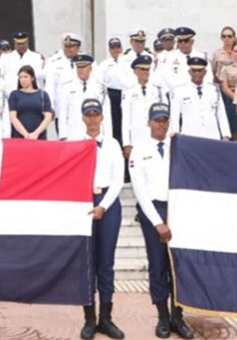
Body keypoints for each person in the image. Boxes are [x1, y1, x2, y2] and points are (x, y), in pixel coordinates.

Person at [129, 102, 194, 339]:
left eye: (164, 120)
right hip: (153, 210)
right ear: (148, 122)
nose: (160, 124)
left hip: (176, 208)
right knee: (157, 265)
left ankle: (178, 316)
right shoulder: (140, 149)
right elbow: (140, 191)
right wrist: (158, 222)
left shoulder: (178, 146)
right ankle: (163, 317)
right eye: (157, 120)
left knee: (178, 266)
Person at [79, 98, 125, 340]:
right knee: (88, 264)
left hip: (108, 204)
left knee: (106, 263)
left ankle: (106, 319)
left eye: (96, 114)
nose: (93, 118)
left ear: (102, 117)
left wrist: (103, 206)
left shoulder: (113, 143)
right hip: (85, 203)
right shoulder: (77, 144)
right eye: (89, 114)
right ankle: (89, 319)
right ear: (83, 118)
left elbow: (118, 179)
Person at [169, 56, 230, 140]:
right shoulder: (180, 91)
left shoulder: (214, 90)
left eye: (199, 71)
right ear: (189, 72)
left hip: (212, 136)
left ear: (204, 72)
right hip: (190, 136)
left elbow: (221, 113)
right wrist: (175, 133)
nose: (197, 73)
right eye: (194, 71)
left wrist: (225, 134)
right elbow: (174, 115)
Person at [58, 54, 109, 140]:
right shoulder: (67, 87)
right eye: (78, 67)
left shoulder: (100, 87)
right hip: (74, 134)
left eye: (84, 67)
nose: (81, 70)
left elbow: (106, 114)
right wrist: (63, 136)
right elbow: (63, 114)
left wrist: (107, 136)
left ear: (90, 68)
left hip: (94, 134)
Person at [121, 54, 164, 156]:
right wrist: (126, 143)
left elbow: (165, 115)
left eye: (147, 69)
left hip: (155, 136)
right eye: (142, 69)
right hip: (137, 138)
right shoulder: (128, 92)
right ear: (135, 71)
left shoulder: (157, 90)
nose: (145, 72)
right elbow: (126, 118)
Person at [8, 65, 53, 139]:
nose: (22, 80)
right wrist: (26, 134)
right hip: (19, 136)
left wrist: (36, 133)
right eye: (20, 77)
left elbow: (48, 117)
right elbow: (13, 117)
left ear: (32, 78)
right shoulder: (15, 94)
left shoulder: (43, 94)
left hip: (39, 136)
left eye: (25, 77)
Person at [99, 38, 127, 147]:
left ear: (121, 48)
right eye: (113, 48)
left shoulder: (127, 62)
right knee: (114, 124)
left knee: (126, 123)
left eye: (118, 47)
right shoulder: (104, 65)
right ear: (109, 50)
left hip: (126, 93)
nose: (116, 50)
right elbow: (100, 81)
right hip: (112, 95)